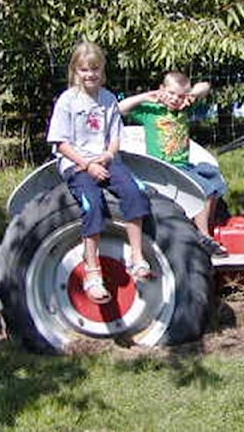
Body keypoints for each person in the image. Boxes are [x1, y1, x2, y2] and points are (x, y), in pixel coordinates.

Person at [46, 41, 153, 305]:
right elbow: (61, 143)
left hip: (104, 158)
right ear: (76, 71)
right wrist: (88, 165)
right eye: (84, 69)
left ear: (102, 70)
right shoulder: (68, 101)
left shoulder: (108, 99)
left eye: (94, 69)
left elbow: (115, 137)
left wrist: (107, 156)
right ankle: (92, 272)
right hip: (77, 162)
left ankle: (137, 258)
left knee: (135, 191)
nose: (90, 74)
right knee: (92, 203)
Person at [118, 72, 229, 257]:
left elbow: (205, 86)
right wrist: (146, 96)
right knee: (204, 189)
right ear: (162, 89)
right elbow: (121, 108)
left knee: (214, 178)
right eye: (171, 93)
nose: (175, 99)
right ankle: (204, 236)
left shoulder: (184, 109)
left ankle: (202, 224)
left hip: (183, 165)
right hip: (164, 168)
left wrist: (191, 95)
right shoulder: (150, 110)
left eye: (179, 96)